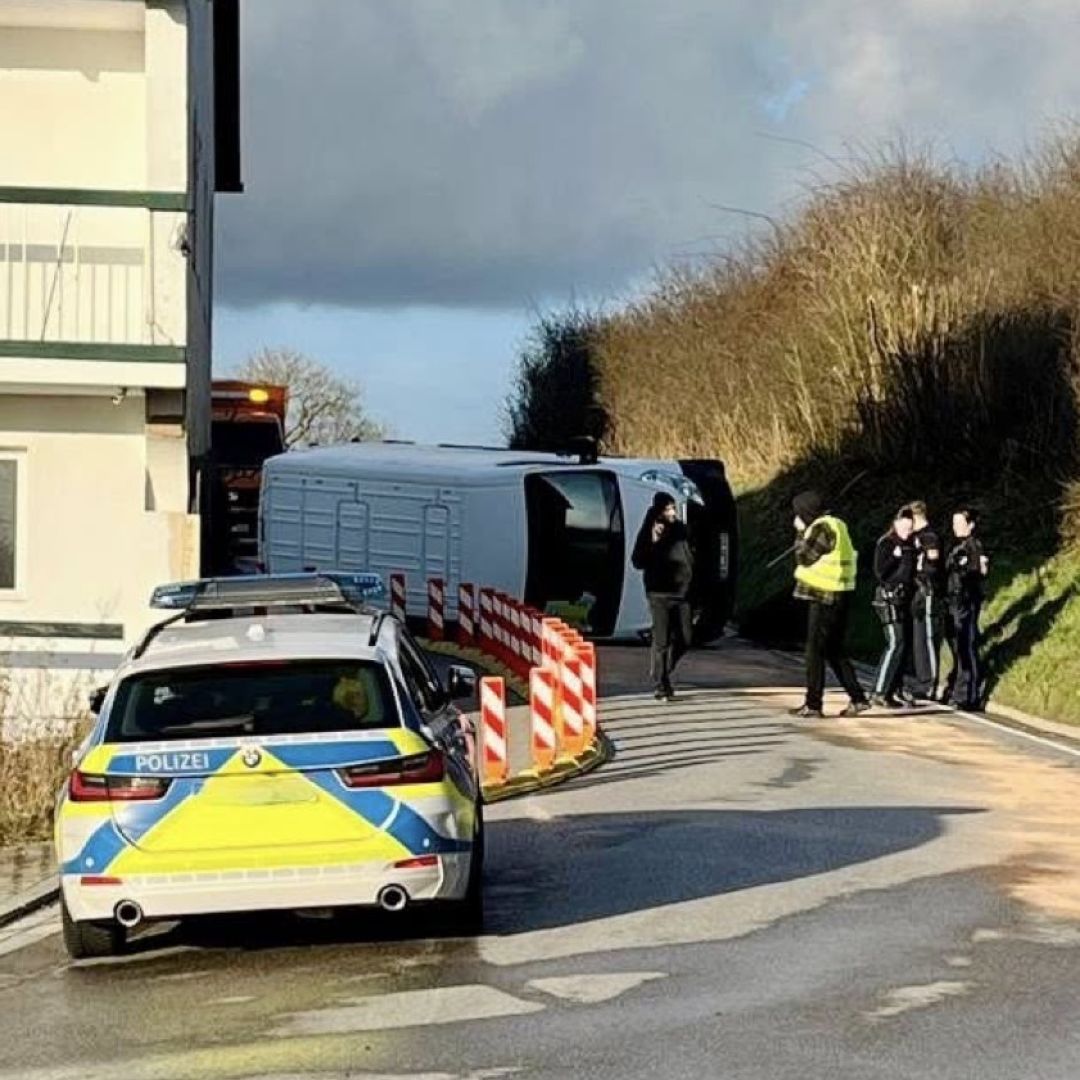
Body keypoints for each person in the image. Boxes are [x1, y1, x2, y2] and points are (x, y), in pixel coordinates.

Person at [789, 490, 868, 719]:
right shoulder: (838, 525)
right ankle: (858, 698)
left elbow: (804, 557)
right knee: (833, 649)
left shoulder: (821, 528)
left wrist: (800, 532)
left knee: (814, 651)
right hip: (840, 592)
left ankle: (813, 704)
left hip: (823, 595)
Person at [631, 493, 694, 701]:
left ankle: (662, 670)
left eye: (673, 508)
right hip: (659, 593)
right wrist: (652, 541)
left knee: (686, 638)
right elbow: (638, 560)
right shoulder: (649, 530)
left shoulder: (681, 529)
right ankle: (661, 683)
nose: (672, 513)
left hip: (682, 593)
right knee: (662, 640)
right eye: (668, 509)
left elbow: (690, 554)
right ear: (659, 511)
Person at [941, 507, 989, 710]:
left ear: (971, 525)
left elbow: (974, 575)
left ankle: (968, 696)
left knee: (965, 647)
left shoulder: (973, 546)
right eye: (954, 523)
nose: (956, 527)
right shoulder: (955, 545)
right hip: (952, 602)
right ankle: (956, 689)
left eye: (960, 523)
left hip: (965, 602)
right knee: (957, 648)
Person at [871, 507, 917, 708]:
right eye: (904, 527)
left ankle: (892, 690)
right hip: (888, 598)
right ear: (896, 524)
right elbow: (880, 572)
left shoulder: (910, 546)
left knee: (902, 645)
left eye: (910, 528)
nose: (907, 531)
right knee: (895, 642)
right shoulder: (887, 543)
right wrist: (895, 557)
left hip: (904, 600)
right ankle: (879, 691)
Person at [909, 500, 944, 702]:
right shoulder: (915, 537)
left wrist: (925, 578)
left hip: (928, 590)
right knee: (918, 638)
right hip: (917, 591)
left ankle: (930, 683)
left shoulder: (929, 536)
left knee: (928, 638)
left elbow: (933, 562)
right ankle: (921, 680)